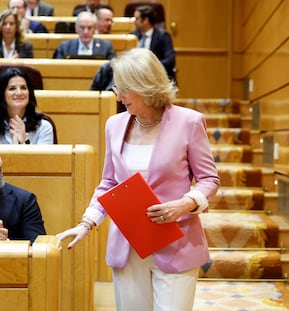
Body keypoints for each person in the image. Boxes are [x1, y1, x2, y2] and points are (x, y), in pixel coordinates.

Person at [57, 48, 220, 310]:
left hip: (176, 242)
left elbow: (209, 179)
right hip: (127, 243)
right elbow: (109, 183)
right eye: (117, 88)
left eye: (125, 89)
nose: (118, 96)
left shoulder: (188, 122)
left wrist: (184, 204)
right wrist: (86, 223)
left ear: (146, 87)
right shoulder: (115, 124)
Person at [0, 67, 54, 144]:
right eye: (12, 88)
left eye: (23, 88)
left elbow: (43, 156)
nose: (19, 93)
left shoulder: (44, 127)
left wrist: (24, 141)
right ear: (2, 94)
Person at [132, 5, 176, 81]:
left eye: (136, 19)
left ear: (145, 20)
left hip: (156, 78)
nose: (134, 21)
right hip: (136, 78)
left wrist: (148, 67)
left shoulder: (163, 36)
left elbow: (170, 60)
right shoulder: (132, 36)